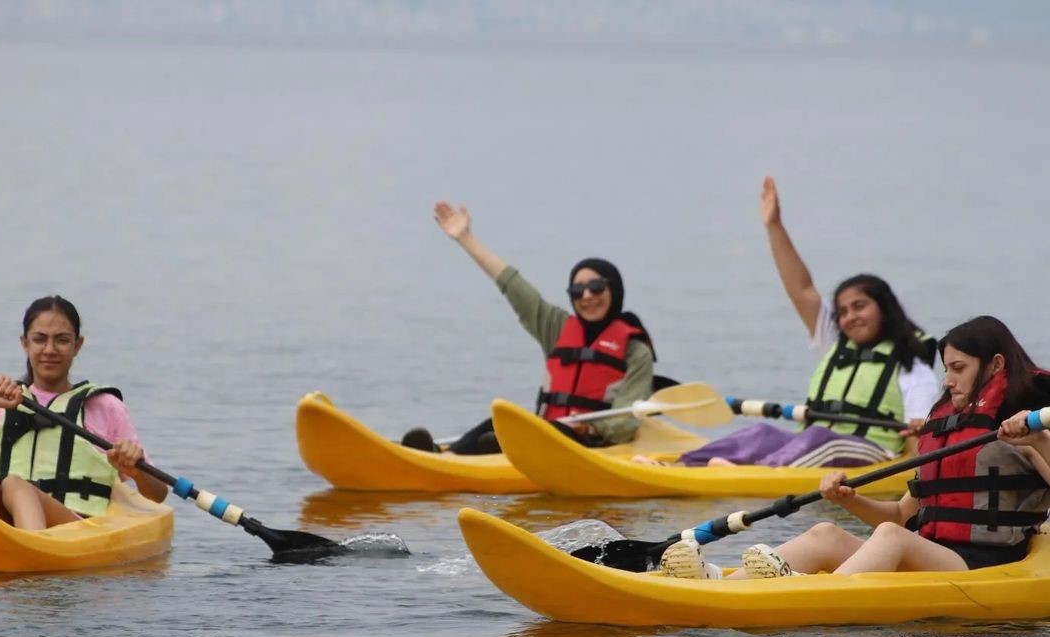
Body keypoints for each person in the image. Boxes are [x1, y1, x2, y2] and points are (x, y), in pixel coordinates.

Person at [660, 316, 1050, 580]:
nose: (947, 380)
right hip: (931, 552)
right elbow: (900, 515)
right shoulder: (953, 425)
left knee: (890, 538)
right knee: (825, 532)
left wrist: (1035, 438)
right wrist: (847, 498)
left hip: (983, 565)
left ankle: (798, 591)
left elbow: (894, 533)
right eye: (945, 368)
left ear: (995, 365)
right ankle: (722, 584)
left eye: (958, 368)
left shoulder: (1026, 424)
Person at [650, 176, 939, 469]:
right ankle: (681, 466)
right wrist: (773, 225)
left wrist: (914, 463)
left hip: (873, 453)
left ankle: (757, 474)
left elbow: (919, 441)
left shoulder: (912, 365)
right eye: (843, 311)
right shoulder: (834, 343)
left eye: (859, 306)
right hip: (813, 443)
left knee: (821, 438)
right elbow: (801, 289)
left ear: (885, 309)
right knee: (760, 433)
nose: (850, 317)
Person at [402, 201, 657, 455]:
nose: (587, 295)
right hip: (543, 435)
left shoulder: (635, 350)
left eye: (597, 287)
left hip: (591, 448)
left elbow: (626, 421)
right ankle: (443, 457)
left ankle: (502, 450)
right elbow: (513, 287)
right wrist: (466, 239)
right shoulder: (556, 327)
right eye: (578, 289)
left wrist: (590, 429)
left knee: (542, 430)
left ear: (614, 289)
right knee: (498, 421)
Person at [0, 295, 167, 530]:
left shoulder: (104, 406)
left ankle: (36, 548)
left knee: (15, 484)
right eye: (40, 339)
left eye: (61, 340)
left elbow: (158, 493)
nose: (50, 350)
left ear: (77, 345)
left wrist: (136, 469)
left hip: (74, 530)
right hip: (2, 530)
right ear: (25, 343)